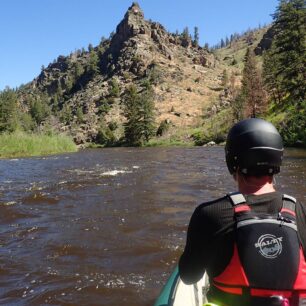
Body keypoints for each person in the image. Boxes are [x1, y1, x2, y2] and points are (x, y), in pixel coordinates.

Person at [179, 118, 306, 306]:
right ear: (278, 159)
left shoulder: (210, 214)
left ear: (233, 161)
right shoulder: (299, 211)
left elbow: (189, 276)